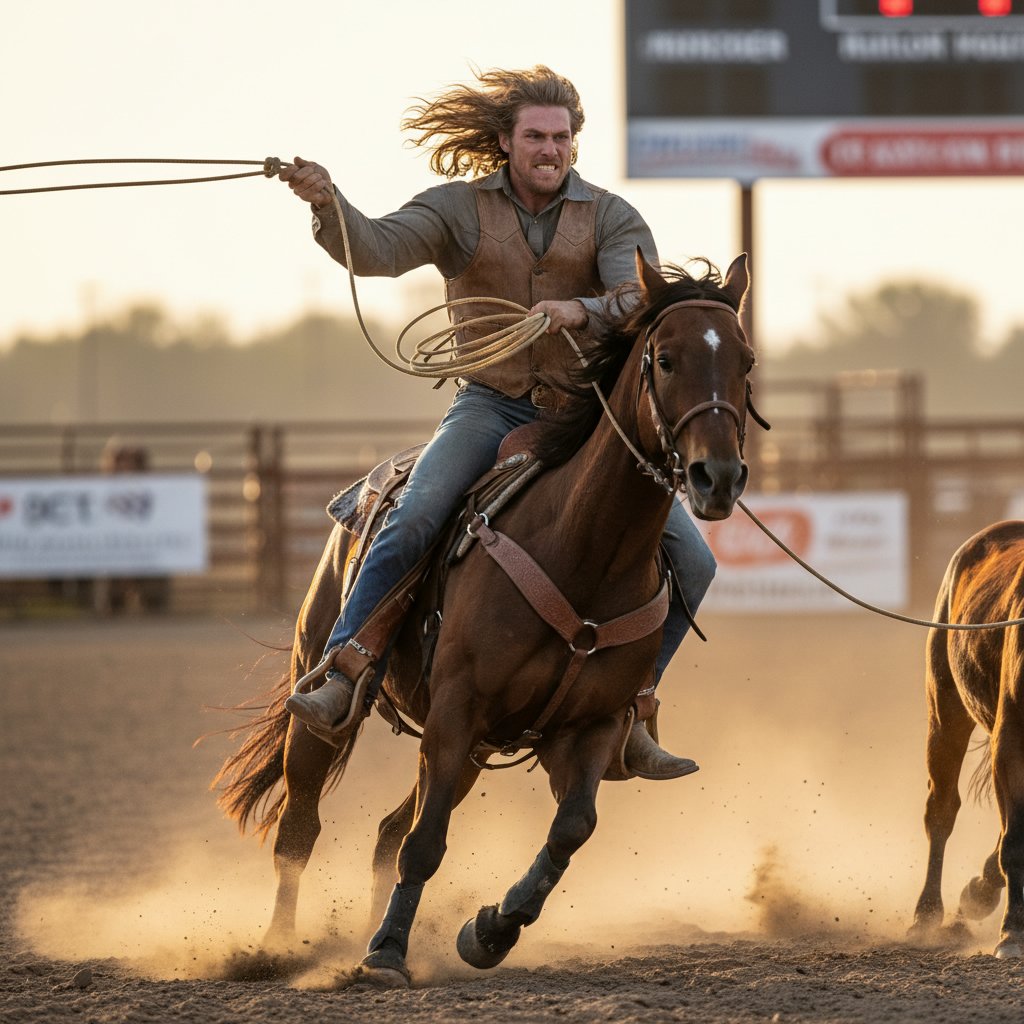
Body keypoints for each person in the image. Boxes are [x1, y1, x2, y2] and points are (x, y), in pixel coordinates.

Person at [279, 66, 716, 779]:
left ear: (575, 144)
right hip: (491, 403)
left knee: (696, 563)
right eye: (537, 136)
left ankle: (635, 709)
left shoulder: (609, 216)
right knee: (416, 513)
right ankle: (345, 666)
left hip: (585, 416)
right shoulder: (457, 209)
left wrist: (580, 311)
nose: (551, 149)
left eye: (562, 137)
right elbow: (382, 249)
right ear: (506, 143)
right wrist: (330, 204)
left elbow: (640, 300)